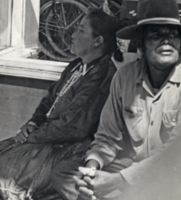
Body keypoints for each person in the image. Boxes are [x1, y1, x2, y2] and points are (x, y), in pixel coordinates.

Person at [73, 0, 181, 199]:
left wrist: (118, 181)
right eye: (157, 35)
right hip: (133, 171)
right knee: (78, 183)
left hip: (180, 177)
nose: (166, 41)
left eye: (173, 35)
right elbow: (107, 137)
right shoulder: (124, 77)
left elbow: (177, 154)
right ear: (141, 43)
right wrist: (92, 170)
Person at [0, 9, 124, 200]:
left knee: (6, 174)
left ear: (97, 41)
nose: (72, 35)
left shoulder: (102, 75)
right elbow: (50, 100)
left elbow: (74, 126)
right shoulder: (76, 65)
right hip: (45, 137)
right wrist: (33, 122)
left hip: (68, 147)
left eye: (81, 30)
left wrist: (33, 136)